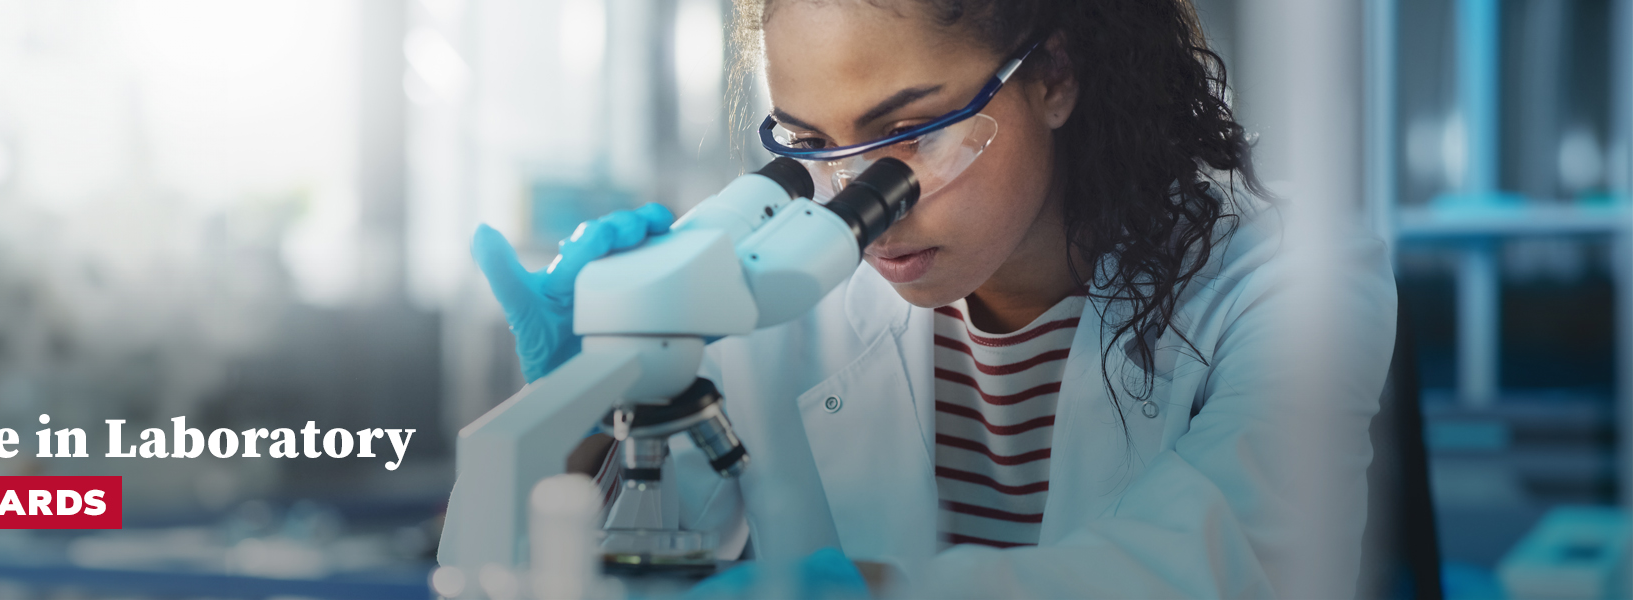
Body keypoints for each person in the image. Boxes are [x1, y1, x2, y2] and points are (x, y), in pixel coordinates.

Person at [470, 0, 1396, 596]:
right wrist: (588, 404)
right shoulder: (784, 290)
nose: (855, 201)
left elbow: (1233, 565)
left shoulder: (1289, 275)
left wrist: (872, 594)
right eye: (810, 143)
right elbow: (607, 562)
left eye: (909, 132)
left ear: (1054, 79)